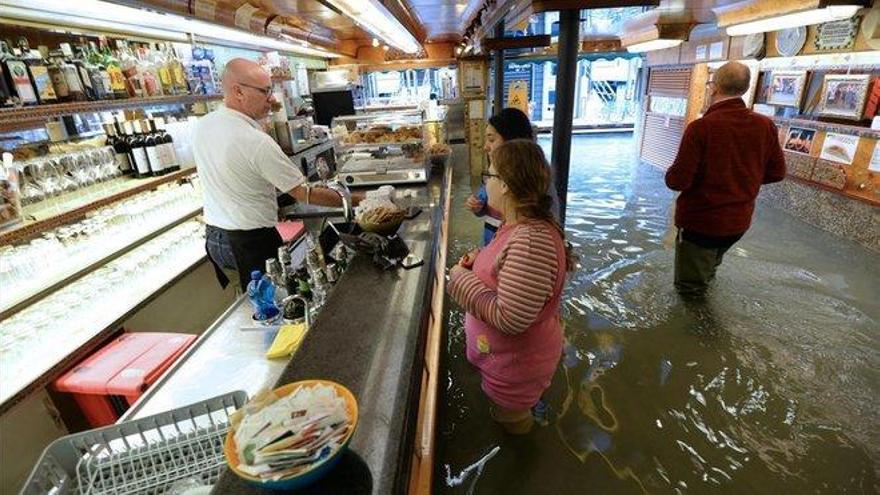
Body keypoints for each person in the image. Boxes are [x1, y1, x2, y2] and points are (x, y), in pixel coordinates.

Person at [194, 58, 358, 290]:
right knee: (277, 299)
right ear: (238, 91)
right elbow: (305, 194)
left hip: (215, 239)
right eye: (265, 91)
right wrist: (354, 200)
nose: (272, 99)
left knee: (250, 303)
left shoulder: (203, 125)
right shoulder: (255, 140)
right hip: (250, 240)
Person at [448, 139, 574, 434]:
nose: (486, 184)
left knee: (512, 425)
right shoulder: (517, 225)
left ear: (504, 184)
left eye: (489, 175)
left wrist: (459, 276)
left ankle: (529, 461)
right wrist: (480, 262)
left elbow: (511, 318)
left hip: (516, 368)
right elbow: (509, 270)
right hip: (509, 361)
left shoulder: (531, 241)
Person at [665, 61, 786, 297]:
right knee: (708, 273)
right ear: (746, 87)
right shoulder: (765, 126)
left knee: (690, 291)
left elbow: (678, 181)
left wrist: (671, 173)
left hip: (701, 223)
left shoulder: (702, 128)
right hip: (737, 224)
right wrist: (741, 180)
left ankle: (702, 332)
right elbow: (777, 173)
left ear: (714, 86)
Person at [465, 108, 535, 246]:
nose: (485, 147)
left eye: (491, 139)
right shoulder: (502, 175)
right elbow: (484, 200)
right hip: (493, 248)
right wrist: (477, 206)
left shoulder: (525, 242)